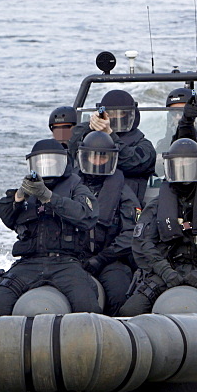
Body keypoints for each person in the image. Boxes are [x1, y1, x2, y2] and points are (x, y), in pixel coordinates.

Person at [120, 138, 197, 316]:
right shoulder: (157, 205)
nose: (185, 170)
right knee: (129, 311)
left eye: (190, 164)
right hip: (168, 269)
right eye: (180, 165)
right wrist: (166, 271)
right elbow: (143, 243)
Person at [0, 139, 100, 317]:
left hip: (65, 263)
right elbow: (7, 218)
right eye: (42, 162)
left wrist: (49, 198)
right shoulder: (29, 188)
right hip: (29, 263)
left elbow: (86, 216)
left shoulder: (76, 187)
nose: (47, 166)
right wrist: (19, 196)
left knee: (87, 306)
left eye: (52, 161)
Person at [75, 131, 140, 316]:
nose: (96, 162)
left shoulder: (122, 191)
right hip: (73, 259)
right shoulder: (70, 187)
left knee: (119, 293)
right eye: (92, 157)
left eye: (102, 158)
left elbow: (132, 232)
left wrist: (102, 258)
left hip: (109, 259)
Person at [67, 89, 156, 204]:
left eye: (121, 114)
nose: (115, 118)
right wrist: (91, 125)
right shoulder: (91, 137)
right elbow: (72, 145)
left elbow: (132, 162)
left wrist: (110, 134)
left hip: (124, 207)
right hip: (85, 203)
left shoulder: (143, 145)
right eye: (111, 114)